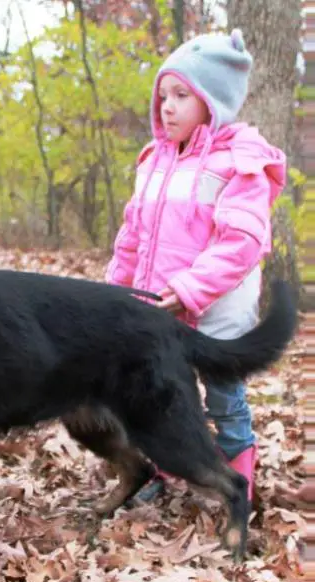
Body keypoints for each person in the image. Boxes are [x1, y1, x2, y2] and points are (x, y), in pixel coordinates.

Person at [105, 28, 287, 504]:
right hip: (159, 307)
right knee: (164, 393)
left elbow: (241, 242)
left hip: (217, 307)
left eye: (182, 95)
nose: (167, 106)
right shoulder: (154, 160)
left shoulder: (241, 160)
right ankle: (165, 473)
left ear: (213, 99)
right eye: (163, 95)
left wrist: (189, 288)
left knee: (224, 397)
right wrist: (113, 291)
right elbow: (133, 235)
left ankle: (237, 472)